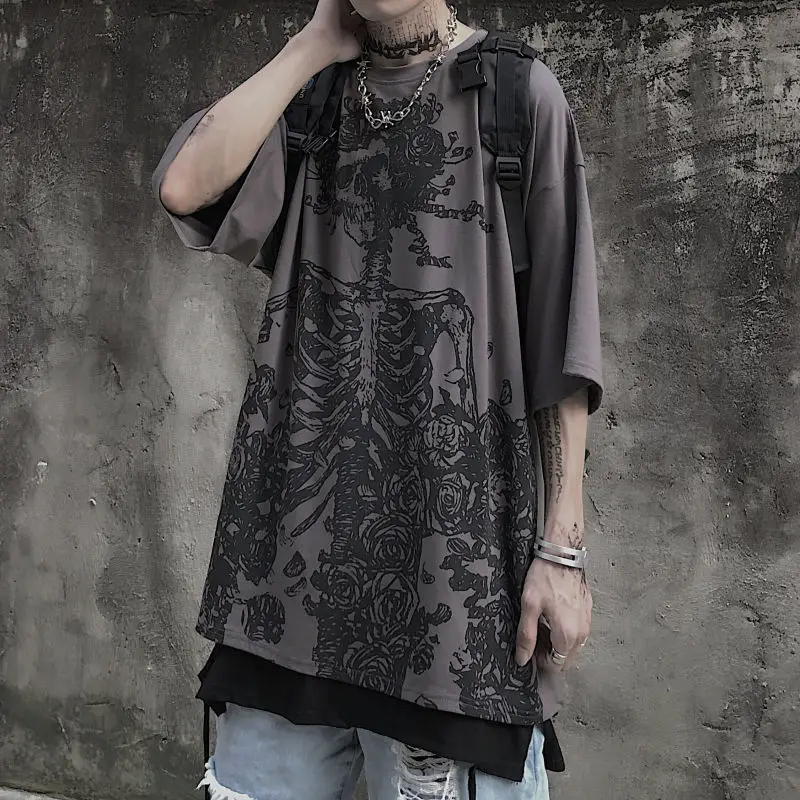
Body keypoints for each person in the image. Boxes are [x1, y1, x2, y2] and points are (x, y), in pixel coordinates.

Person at [152, 0, 603, 797]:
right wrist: (313, 44)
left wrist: (561, 556)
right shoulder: (315, 96)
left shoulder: (515, 93)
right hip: (287, 587)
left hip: (452, 598)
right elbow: (186, 187)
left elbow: (561, 346)